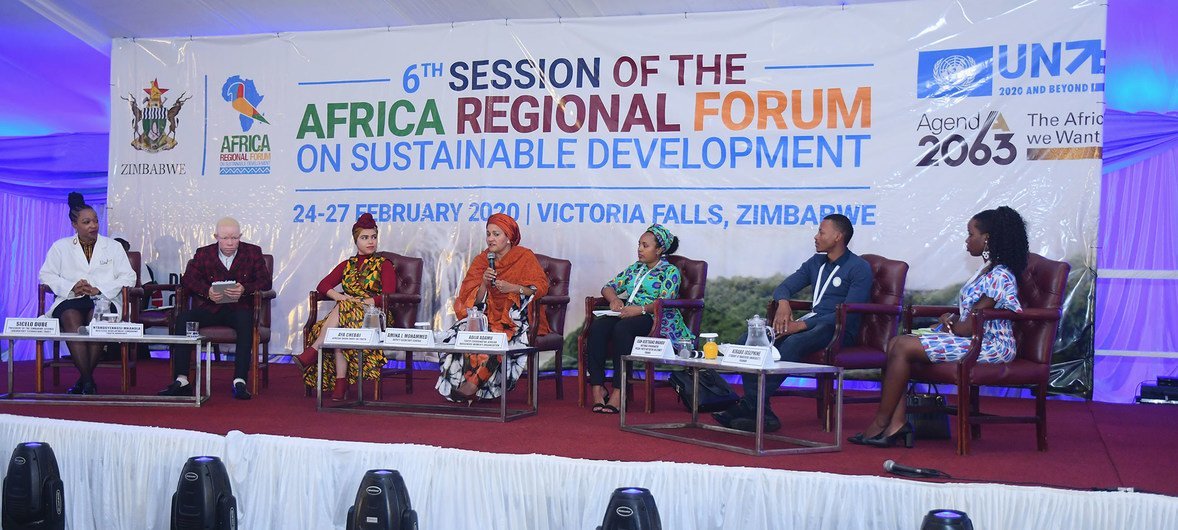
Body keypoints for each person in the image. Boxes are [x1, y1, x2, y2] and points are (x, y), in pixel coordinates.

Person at [849, 206, 1028, 448]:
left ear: (987, 238)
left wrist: (951, 322)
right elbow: (970, 316)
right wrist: (950, 319)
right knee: (894, 344)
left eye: (970, 234)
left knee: (901, 345)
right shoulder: (985, 271)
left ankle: (881, 423)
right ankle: (896, 424)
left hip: (991, 345)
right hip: (973, 338)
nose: (967, 240)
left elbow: (970, 326)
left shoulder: (1000, 275)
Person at [713, 213, 873, 432]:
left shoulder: (859, 267)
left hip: (838, 329)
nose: (815, 237)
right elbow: (783, 287)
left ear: (837, 236)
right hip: (811, 323)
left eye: (821, 232)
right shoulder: (816, 262)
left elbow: (850, 312)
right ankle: (762, 412)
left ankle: (750, 405)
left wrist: (800, 326)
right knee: (748, 340)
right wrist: (783, 303)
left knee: (793, 343)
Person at [435, 213, 549, 402]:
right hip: (485, 315)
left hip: (515, 318)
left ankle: (473, 384)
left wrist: (512, 288)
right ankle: (461, 383)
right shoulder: (482, 260)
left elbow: (540, 288)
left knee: (500, 335)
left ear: (509, 237)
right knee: (459, 332)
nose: (490, 239)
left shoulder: (524, 257)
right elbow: (472, 300)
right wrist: (483, 284)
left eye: (496, 234)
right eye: (488, 234)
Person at [159, 217, 271, 400]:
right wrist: (207, 291)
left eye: (234, 238)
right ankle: (182, 379)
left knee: (246, 321)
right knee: (183, 319)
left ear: (240, 236)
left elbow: (265, 281)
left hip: (239, 308)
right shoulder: (204, 254)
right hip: (210, 308)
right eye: (225, 238)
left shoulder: (252, 252)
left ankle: (240, 381)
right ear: (216, 236)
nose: (230, 243)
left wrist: (245, 288)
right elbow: (188, 279)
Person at [585, 224, 693, 414]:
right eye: (639, 245)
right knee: (598, 327)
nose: (640, 249)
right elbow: (608, 287)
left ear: (659, 250)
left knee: (622, 329)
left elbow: (664, 301)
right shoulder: (636, 268)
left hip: (654, 317)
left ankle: (619, 391)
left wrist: (640, 309)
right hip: (629, 313)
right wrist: (615, 299)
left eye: (645, 246)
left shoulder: (670, 272)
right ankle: (598, 387)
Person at [38, 192, 137, 394]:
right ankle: (88, 380)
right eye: (86, 222)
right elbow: (45, 276)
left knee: (97, 319)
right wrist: (71, 286)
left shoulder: (113, 247)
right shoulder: (60, 247)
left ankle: (85, 381)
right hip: (70, 298)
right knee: (70, 316)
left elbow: (129, 277)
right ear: (75, 225)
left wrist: (99, 288)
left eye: (95, 221)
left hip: (102, 299)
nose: (93, 225)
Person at [292, 213, 396, 401]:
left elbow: (389, 294)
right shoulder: (347, 265)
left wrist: (364, 302)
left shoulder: (384, 264)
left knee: (342, 313)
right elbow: (323, 285)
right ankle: (340, 384)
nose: (370, 241)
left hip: (374, 315)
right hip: (348, 314)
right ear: (356, 240)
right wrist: (340, 297)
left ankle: (315, 351)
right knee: (340, 324)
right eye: (365, 237)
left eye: (373, 237)